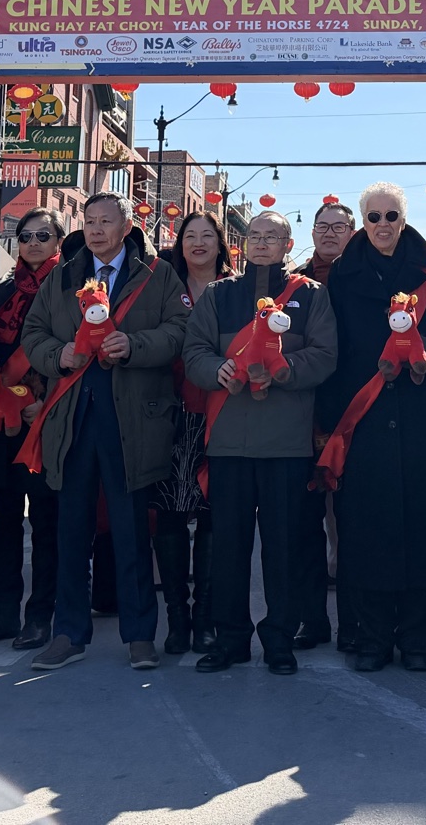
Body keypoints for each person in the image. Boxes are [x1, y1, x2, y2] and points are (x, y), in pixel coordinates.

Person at [21, 192, 189, 672]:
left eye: (105, 221)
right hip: (73, 416)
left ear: (126, 227)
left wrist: (134, 345)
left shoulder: (157, 275)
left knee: (131, 529)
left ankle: (140, 636)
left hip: (131, 419)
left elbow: (180, 330)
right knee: (70, 528)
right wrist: (57, 356)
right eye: (90, 221)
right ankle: (69, 633)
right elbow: (33, 333)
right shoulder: (63, 275)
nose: (95, 230)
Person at [319, 183, 426, 671]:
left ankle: (417, 639)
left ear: (404, 218)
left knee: (423, 529)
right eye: (374, 216)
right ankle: (373, 638)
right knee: (367, 532)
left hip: (421, 417)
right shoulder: (343, 274)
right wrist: (330, 424)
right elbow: (334, 351)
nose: (383, 225)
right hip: (364, 418)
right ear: (363, 221)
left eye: (392, 215)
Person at [184, 210, 336, 674]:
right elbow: (194, 351)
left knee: (283, 548)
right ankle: (230, 639)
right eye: (255, 235)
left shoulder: (311, 295)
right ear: (244, 243)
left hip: (287, 444)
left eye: (273, 236)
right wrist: (217, 369)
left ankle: (279, 639)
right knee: (228, 548)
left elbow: (325, 355)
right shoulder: (219, 294)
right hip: (228, 441)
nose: (262, 242)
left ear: (288, 245)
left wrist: (283, 371)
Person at [0, 209, 64, 654]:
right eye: (26, 236)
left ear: (58, 240)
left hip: (44, 420)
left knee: (45, 522)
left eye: (44, 235)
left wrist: (46, 400)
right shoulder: (1, 290)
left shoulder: (71, 288)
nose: (34, 243)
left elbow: (78, 351)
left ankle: (40, 615)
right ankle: (3, 613)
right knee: (3, 520)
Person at [155, 212, 229, 657]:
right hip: (171, 414)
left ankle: (205, 618)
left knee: (214, 519)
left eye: (207, 236)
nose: (198, 243)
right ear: (179, 244)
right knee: (169, 516)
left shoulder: (237, 290)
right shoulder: (161, 285)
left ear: (221, 244)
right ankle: (177, 618)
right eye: (189, 236)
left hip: (223, 414)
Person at [293, 199, 355, 651]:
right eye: (322, 226)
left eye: (339, 226)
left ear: (353, 233)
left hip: (354, 414)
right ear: (311, 233)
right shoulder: (294, 283)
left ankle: (355, 622)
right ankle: (311, 619)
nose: (329, 233)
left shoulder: (367, 278)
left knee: (354, 525)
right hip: (301, 414)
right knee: (304, 525)